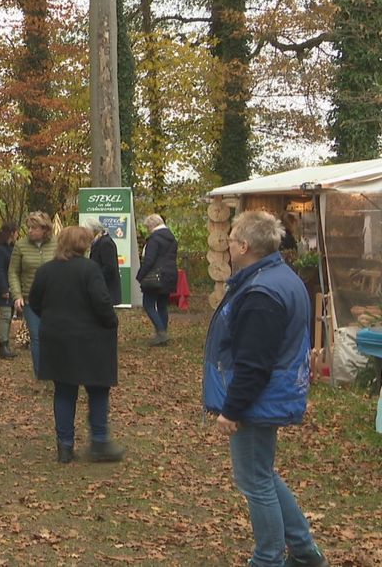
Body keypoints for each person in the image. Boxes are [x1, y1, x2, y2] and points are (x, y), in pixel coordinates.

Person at [203, 210, 327, 567]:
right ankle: (304, 553)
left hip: (259, 399)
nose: (227, 248)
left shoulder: (261, 291)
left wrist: (232, 409)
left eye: (230, 241)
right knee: (262, 474)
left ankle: (268, 559)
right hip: (270, 394)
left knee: (255, 482)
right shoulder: (280, 277)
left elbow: (254, 364)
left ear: (244, 245)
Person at [28, 226, 123, 463]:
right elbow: (102, 303)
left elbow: (35, 302)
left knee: (64, 391)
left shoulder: (45, 271)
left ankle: (65, 446)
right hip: (92, 341)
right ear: (83, 245)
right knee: (98, 390)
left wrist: (52, 319)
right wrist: (112, 322)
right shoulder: (90, 269)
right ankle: (99, 442)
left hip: (58, 340)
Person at [9, 211, 57, 378]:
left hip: (53, 299)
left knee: (52, 336)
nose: (30, 231)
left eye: (34, 228)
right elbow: (13, 272)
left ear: (45, 229)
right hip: (30, 300)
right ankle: (41, 373)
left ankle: (55, 369)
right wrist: (17, 295)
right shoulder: (21, 246)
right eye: (28, 227)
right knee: (36, 337)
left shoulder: (56, 244)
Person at [136, 213, 178, 346]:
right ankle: (162, 334)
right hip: (170, 274)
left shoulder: (154, 239)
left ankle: (161, 333)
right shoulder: (172, 238)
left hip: (155, 276)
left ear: (152, 225)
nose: (148, 230)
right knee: (162, 305)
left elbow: (149, 260)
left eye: (148, 227)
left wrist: (140, 275)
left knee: (148, 304)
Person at [0, 222, 18, 358]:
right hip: (3, 287)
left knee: (9, 315)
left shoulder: (10, 248)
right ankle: (2, 344)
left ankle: (6, 344)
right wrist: (4, 288)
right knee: (5, 315)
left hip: (11, 286)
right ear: (11, 233)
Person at [84, 218, 122, 305]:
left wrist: (96, 279)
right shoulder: (97, 242)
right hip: (101, 287)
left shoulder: (105, 243)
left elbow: (110, 267)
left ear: (93, 230)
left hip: (107, 288)